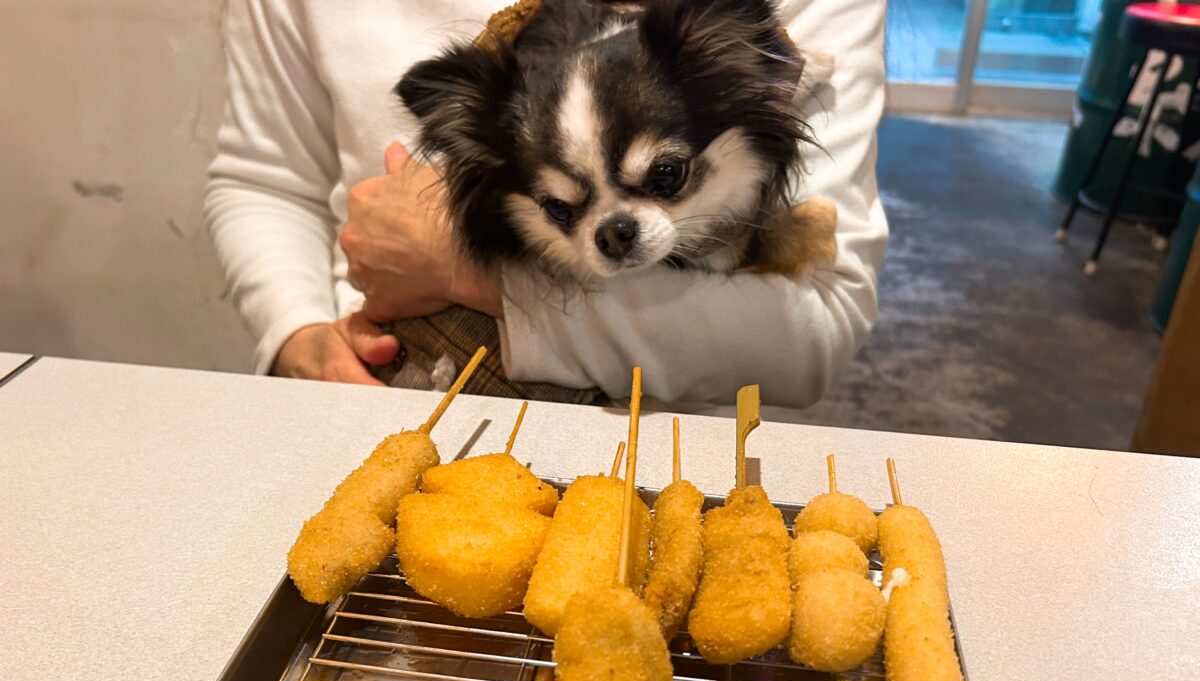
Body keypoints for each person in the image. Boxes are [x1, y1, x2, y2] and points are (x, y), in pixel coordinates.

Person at [206, 0, 887, 408]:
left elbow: (817, 323)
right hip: (383, 387)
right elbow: (266, 177)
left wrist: (463, 274)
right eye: (563, 208)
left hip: (696, 442)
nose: (614, 232)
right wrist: (297, 338)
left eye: (667, 175)